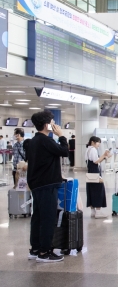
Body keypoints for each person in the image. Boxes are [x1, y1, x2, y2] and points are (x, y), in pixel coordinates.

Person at [26, 111, 69, 263]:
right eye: (52, 122)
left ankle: (35, 249)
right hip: (47, 185)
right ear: (46, 125)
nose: (54, 124)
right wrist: (62, 136)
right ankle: (45, 252)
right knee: (48, 218)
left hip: (36, 184)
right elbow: (64, 151)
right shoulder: (46, 141)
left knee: (37, 217)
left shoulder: (33, 141)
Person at [85, 136, 111, 219]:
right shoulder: (93, 149)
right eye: (98, 143)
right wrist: (104, 156)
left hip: (90, 172)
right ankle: (98, 212)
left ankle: (93, 211)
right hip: (95, 172)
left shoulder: (88, 149)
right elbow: (96, 161)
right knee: (98, 190)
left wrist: (103, 156)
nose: (98, 145)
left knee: (91, 191)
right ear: (93, 142)